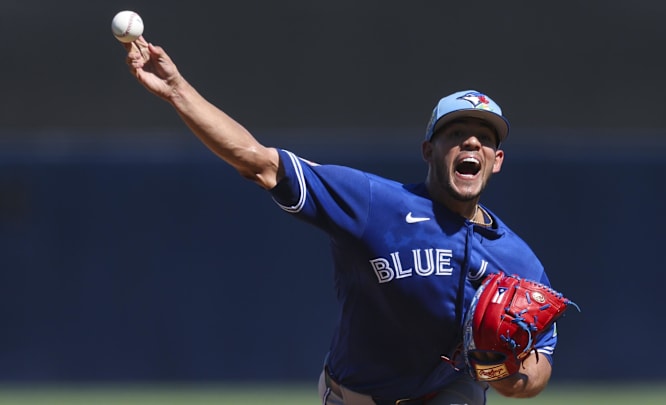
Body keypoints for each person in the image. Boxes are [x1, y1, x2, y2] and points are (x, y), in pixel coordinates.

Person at [122, 36, 560, 405]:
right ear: (429, 150)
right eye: (455, 134)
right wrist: (178, 89)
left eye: (484, 138)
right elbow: (257, 161)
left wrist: (502, 374)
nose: (471, 142)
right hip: (355, 396)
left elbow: (539, 365)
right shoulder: (372, 203)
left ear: (496, 160)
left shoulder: (516, 259)